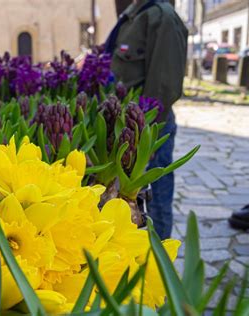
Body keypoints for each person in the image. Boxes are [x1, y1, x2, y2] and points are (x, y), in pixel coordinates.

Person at [106, 0, 188, 239]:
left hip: (150, 128)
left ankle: (159, 260)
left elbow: (164, 86)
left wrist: (146, 134)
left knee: (156, 198)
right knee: (136, 202)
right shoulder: (135, 15)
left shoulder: (161, 18)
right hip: (129, 125)